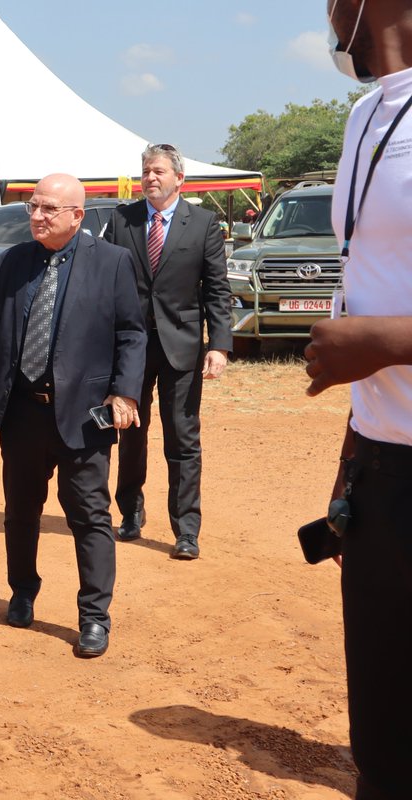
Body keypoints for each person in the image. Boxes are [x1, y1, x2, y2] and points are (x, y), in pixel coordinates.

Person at [0, 173, 146, 658]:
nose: (37, 216)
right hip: (22, 412)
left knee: (89, 516)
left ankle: (94, 617)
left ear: (77, 215)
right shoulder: (13, 261)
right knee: (20, 513)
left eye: (49, 209)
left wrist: (125, 394)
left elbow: (131, 334)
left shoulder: (112, 262)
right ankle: (22, 592)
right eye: (33, 206)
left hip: (84, 416)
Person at [304, 2, 412, 796]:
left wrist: (386, 342)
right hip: (380, 465)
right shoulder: (362, 117)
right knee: (380, 733)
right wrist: (349, 469)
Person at [102, 144, 232, 559]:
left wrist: (220, 345)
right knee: (130, 434)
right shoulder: (121, 220)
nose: (150, 177)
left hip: (183, 346)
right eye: (145, 171)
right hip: (131, 346)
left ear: (179, 178)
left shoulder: (205, 224)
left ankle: (186, 530)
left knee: (182, 437)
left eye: (158, 171)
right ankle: (130, 513)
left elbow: (216, 289)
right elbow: (105, 281)